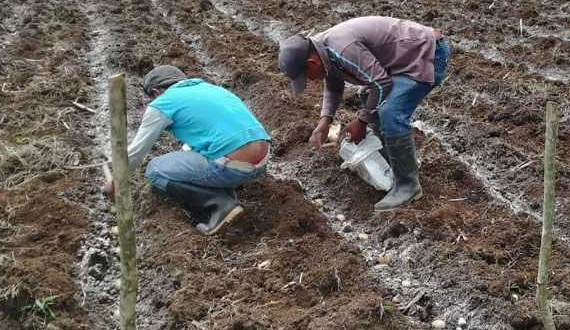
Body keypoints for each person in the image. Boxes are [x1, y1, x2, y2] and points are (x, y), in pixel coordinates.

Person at [277, 16, 450, 211]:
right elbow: (333, 87)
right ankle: (394, 163)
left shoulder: (341, 48)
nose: (310, 80)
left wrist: (362, 121)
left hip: (426, 53)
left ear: (312, 62)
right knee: (369, 97)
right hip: (404, 58)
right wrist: (324, 122)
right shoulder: (324, 51)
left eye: (306, 76)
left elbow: (381, 83)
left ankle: (408, 186)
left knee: (390, 111)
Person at [104, 65, 270, 235]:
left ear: (157, 91)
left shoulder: (162, 103)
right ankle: (227, 198)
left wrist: (116, 180)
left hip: (231, 167)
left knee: (155, 169)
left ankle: (220, 205)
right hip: (261, 161)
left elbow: (136, 153)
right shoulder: (211, 89)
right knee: (196, 154)